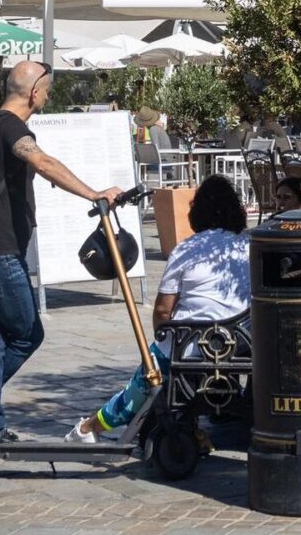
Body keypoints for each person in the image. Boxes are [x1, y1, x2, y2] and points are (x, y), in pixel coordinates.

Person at [0, 61, 124, 441]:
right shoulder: (12, 127)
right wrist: (94, 193)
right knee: (28, 334)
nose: (46, 95)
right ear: (34, 93)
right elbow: (41, 162)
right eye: (46, 89)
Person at [71, 175, 252, 443]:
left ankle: (89, 428)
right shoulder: (249, 246)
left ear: (197, 212)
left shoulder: (187, 250)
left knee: (149, 374)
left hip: (192, 344)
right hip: (239, 343)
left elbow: (163, 312)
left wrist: (162, 336)